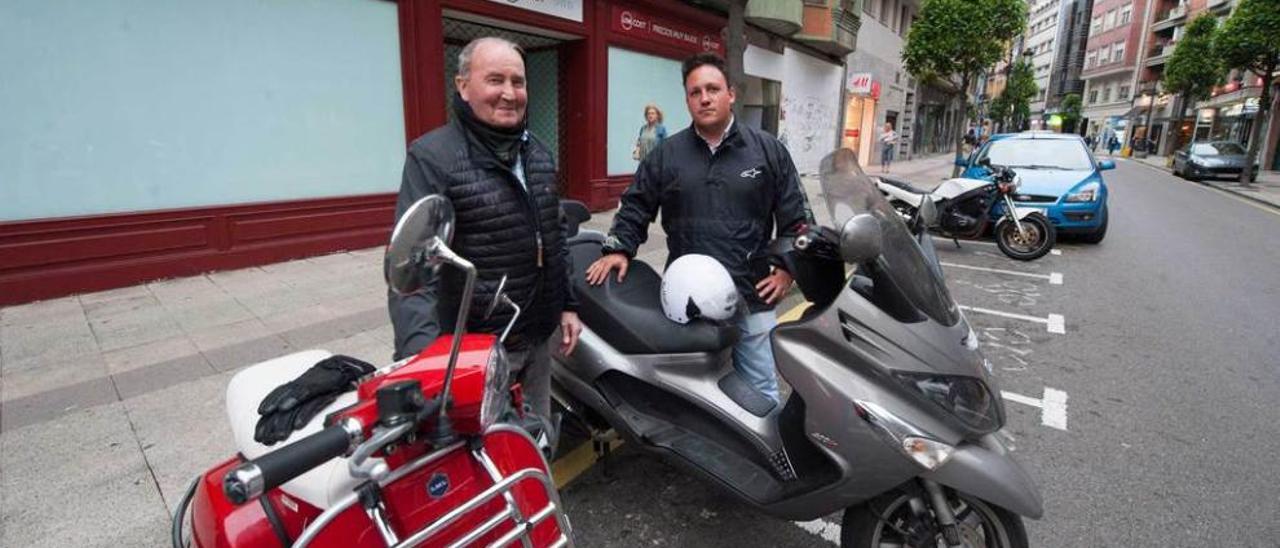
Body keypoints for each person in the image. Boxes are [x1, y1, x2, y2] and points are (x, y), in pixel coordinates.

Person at [583, 52, 812, 405]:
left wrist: (787, 270)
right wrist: (618, 248)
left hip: (751, 295)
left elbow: (797, 218)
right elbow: (636, 204)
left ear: (730, 94)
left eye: (713, 89)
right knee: (696, 395)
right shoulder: (666, 154)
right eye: (695, 92)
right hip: (687, 301)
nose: (705, 98)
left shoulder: (768, 151)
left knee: (762, 395)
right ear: (687, 99)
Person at [387, 36, 582, 426]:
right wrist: (427, 363)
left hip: (535, 338)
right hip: (476, 355)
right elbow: (414, 272)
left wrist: (567, 304)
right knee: (486, 466)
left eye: (519, 81)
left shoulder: (539, 153)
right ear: (462, 86)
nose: (510, 93)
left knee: (535, 446)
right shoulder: (432, 157)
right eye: (495, 80)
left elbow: (554, 235)